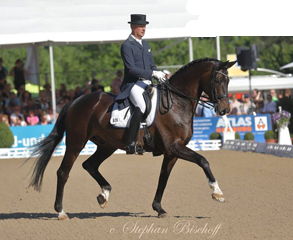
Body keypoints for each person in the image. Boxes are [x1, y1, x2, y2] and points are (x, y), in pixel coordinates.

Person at [118, 14, 166, 154]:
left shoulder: (145, 44)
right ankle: (131, 142)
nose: (143, 28)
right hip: (133, 84)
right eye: (140, 26)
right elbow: (131, 69)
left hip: (148, 83)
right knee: (141, 105)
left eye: (144, 26)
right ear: (132, 27)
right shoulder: (126, 45)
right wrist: (152, 74)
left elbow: (151, 65)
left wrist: (159, 74)